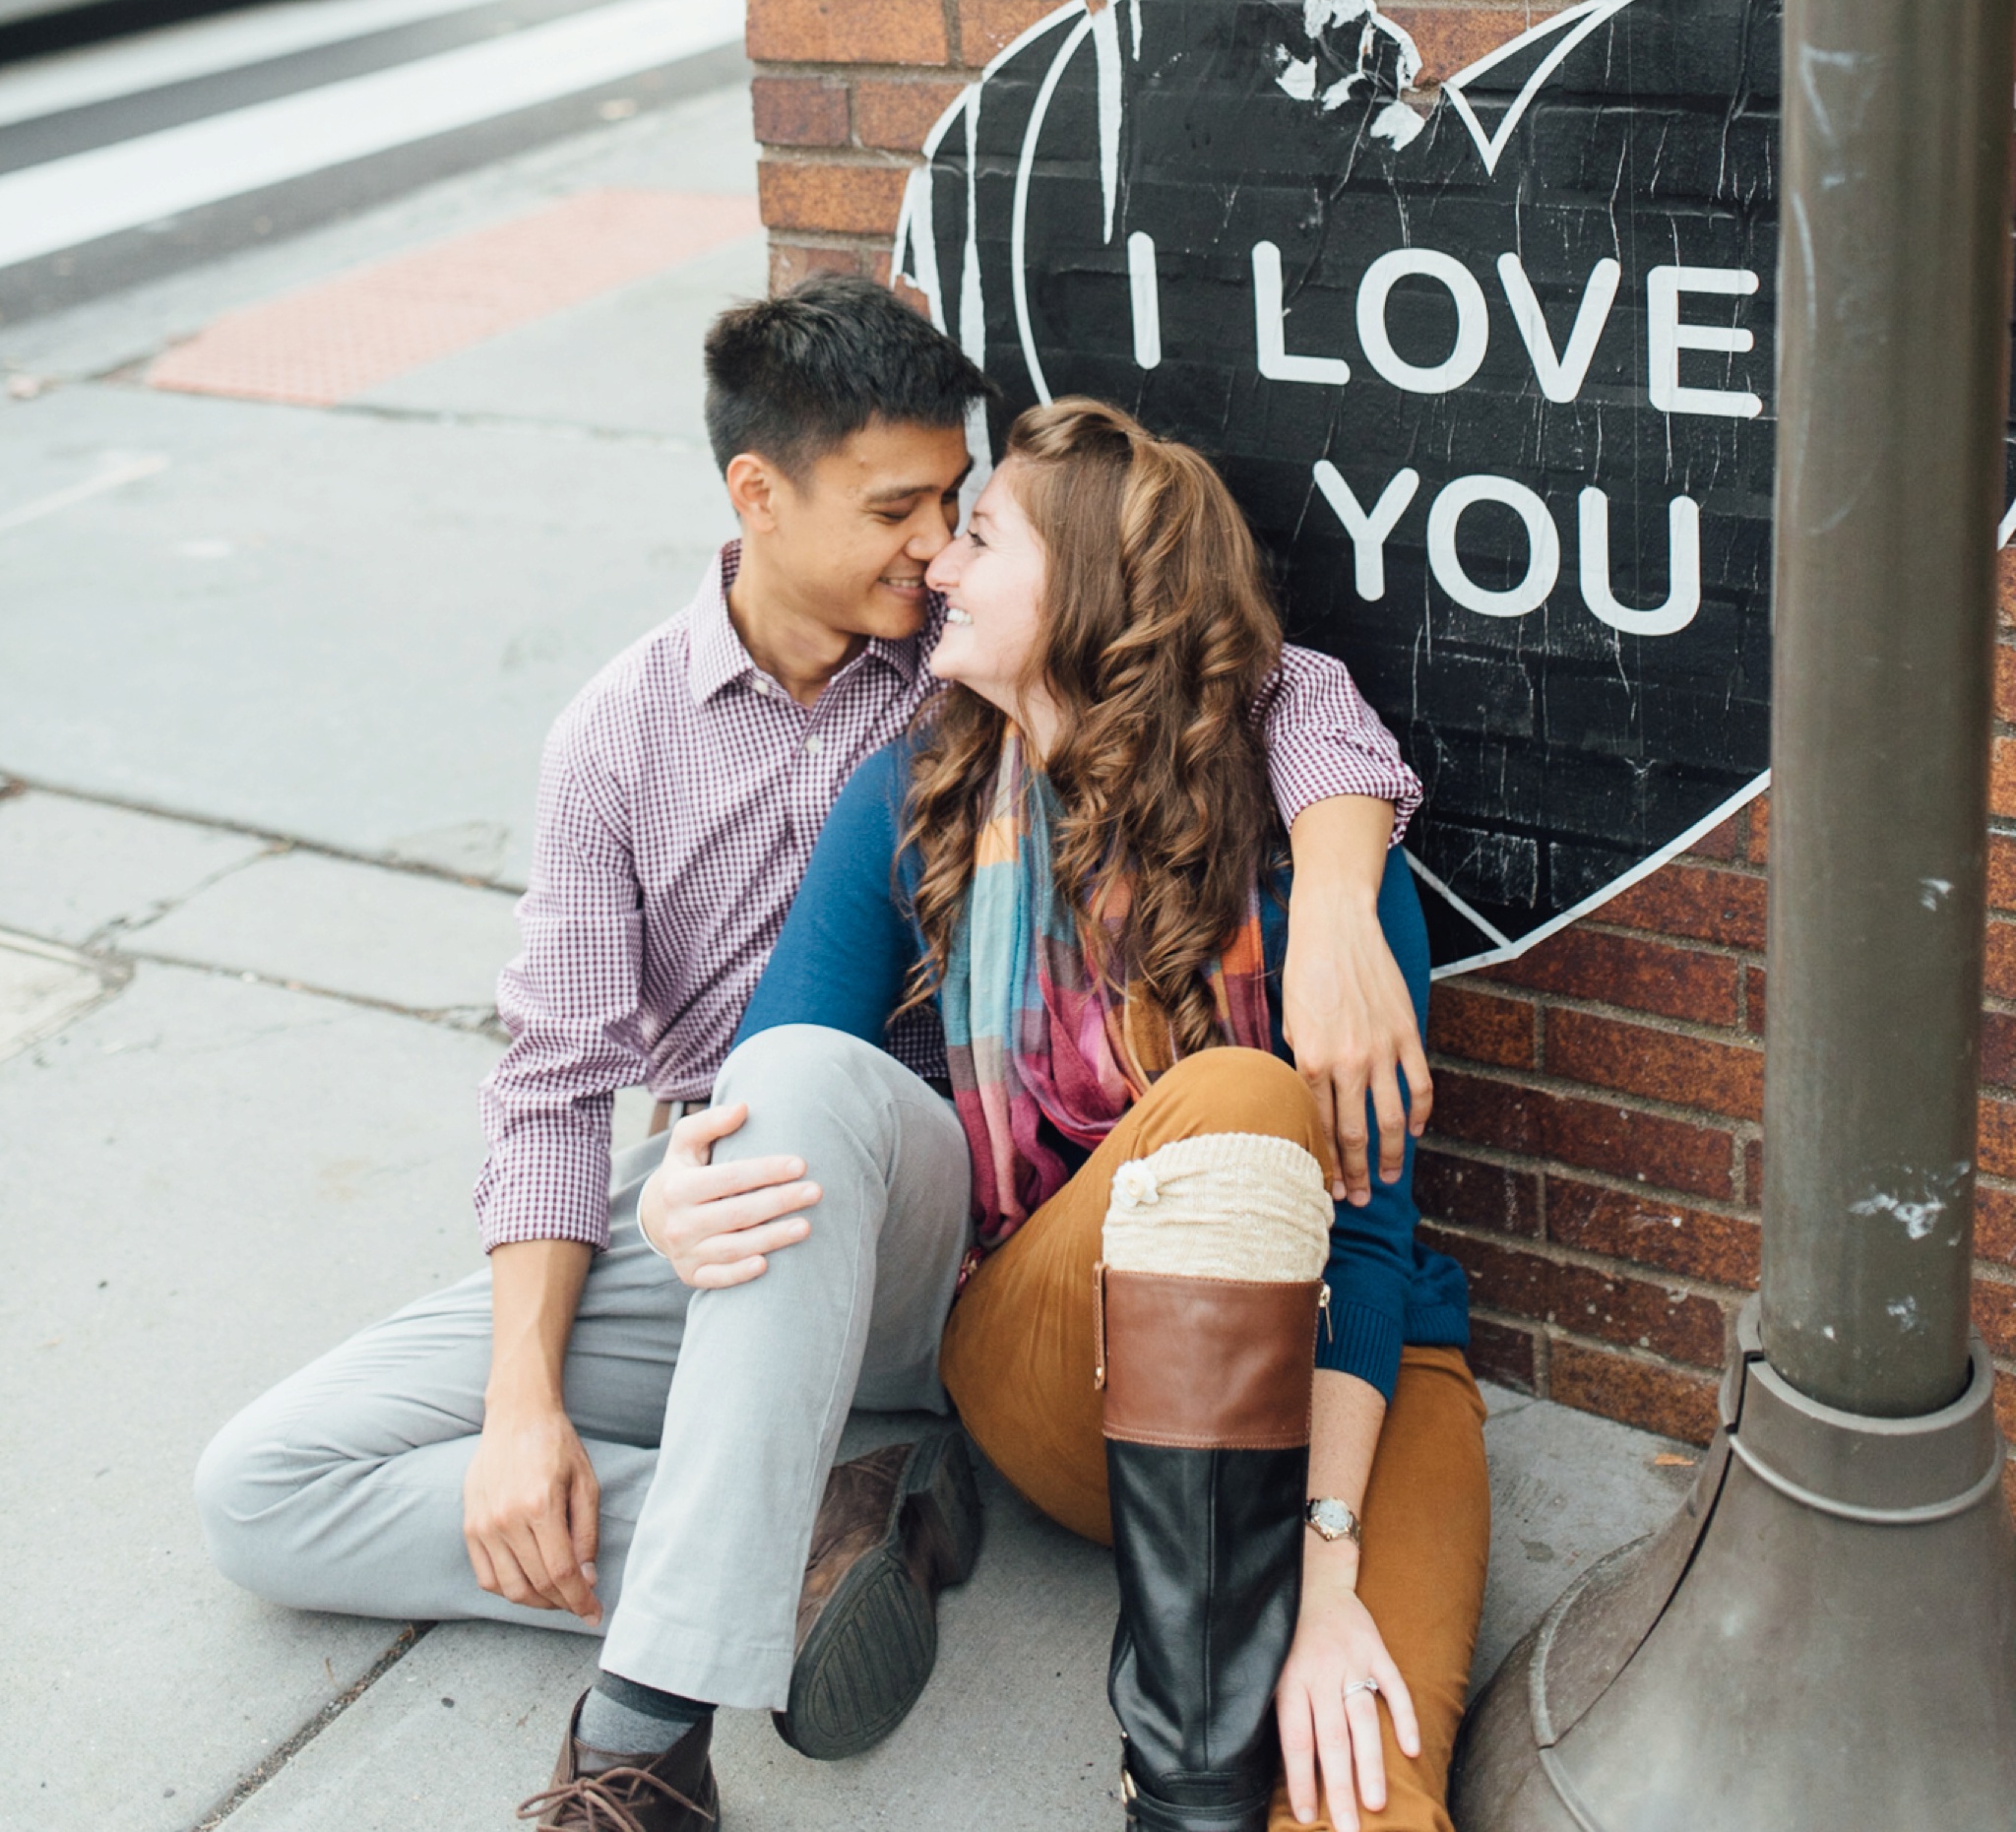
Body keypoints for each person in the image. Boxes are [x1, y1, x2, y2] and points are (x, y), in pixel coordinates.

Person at [193, 282, 1448, 1827]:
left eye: (964, 513)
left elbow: (1264, 682)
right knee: (264, 1489)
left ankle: (647, 1738)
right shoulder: (647, 739)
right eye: (906, 510)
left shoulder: (973, 682)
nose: (935, 549)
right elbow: (557, 1076)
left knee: (895, 1091)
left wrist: (1334, 891)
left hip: (969, 1250)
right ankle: (809, 1548)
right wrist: (542, 1380)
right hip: (751, 1207)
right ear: (758, 497)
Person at [707, 398, 1488, 1832]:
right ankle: (1185, 1784)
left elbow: (1370, 1246)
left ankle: (1225, 1717)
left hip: (1347, 1375)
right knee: (1247, 1094)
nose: (937, 562)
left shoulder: (1324, 868)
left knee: (1364, 1793)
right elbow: (786, 1070)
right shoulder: (917, 796)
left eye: (982, 535)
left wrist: (1327, 1588)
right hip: (1055, 1350)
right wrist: (689, 1177)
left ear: (1085, 590)